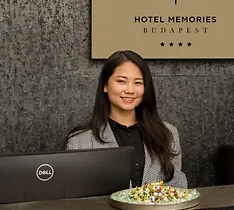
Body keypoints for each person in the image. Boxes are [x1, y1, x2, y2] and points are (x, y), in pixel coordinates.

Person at [66, 50, 187, 188]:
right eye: (121, 81)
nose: (130, 90)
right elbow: (75, 195)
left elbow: (178, 186)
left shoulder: (167, 134)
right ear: (105, 86)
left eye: (138, 83)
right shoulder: (80, 141)